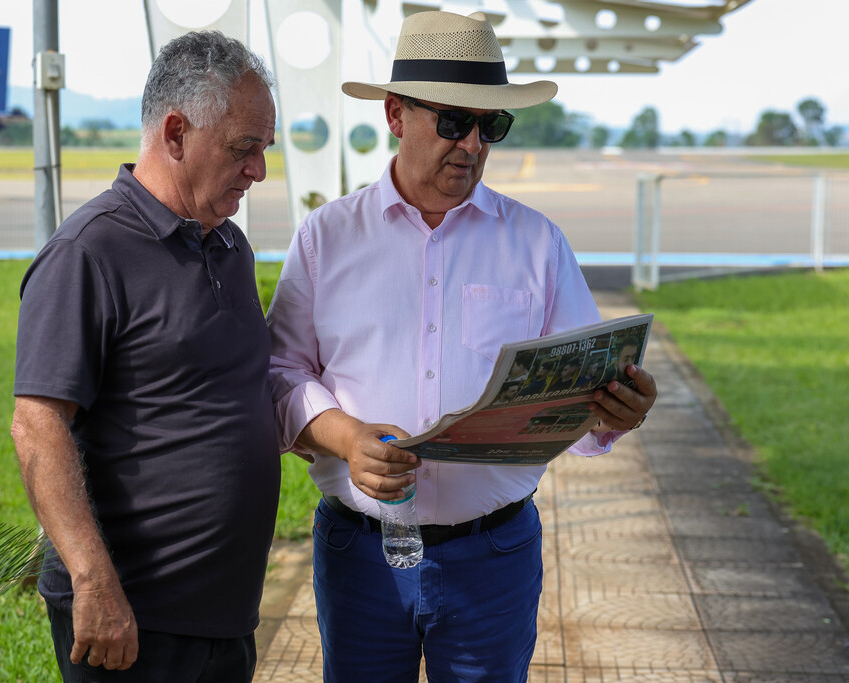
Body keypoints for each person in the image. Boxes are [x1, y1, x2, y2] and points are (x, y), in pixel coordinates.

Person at [266, 10, 657, 682]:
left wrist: (612, 408)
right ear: (395, 114)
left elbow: (581, 385)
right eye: (453, 121)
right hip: (361, 556)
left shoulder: (537, 243)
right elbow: (281, 372)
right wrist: (345, 437)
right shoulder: (326, 238)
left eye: (491, 126)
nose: (472, 144)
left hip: (494, 556)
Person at [11, 31, 280, 682]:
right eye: (245, 148)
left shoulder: (231, 248)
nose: (259, 171)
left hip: (225, 618)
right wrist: (92, 582)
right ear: (177, 132)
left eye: (263, 151)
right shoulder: (89, 252)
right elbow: (37, 426)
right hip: (130, 624)